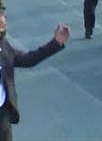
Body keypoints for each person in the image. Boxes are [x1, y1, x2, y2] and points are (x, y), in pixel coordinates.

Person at [0, 10, 70, 141]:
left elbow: (29, 59)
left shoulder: (4, 48)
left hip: (2, 116)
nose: (3, 30)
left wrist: (56, 43)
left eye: (3, 27)